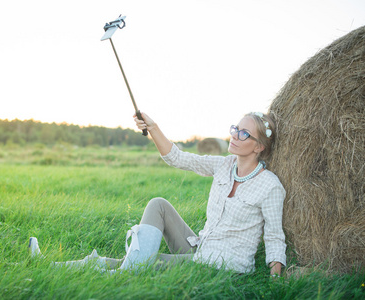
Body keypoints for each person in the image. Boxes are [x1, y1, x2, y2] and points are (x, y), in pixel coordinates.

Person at [29, 111, 286, 276]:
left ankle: (113, 272)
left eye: (244, 133)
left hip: (224, 267)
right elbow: (177, 158)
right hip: (200, 250)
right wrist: (153, 127)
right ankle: (118, 270)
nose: (235, 136)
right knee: (158, 205)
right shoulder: (224, 166)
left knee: (141, 261)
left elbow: (275, 237)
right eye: (235, 128)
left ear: (259, 146)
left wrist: (277, 280)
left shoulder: (270, 186)